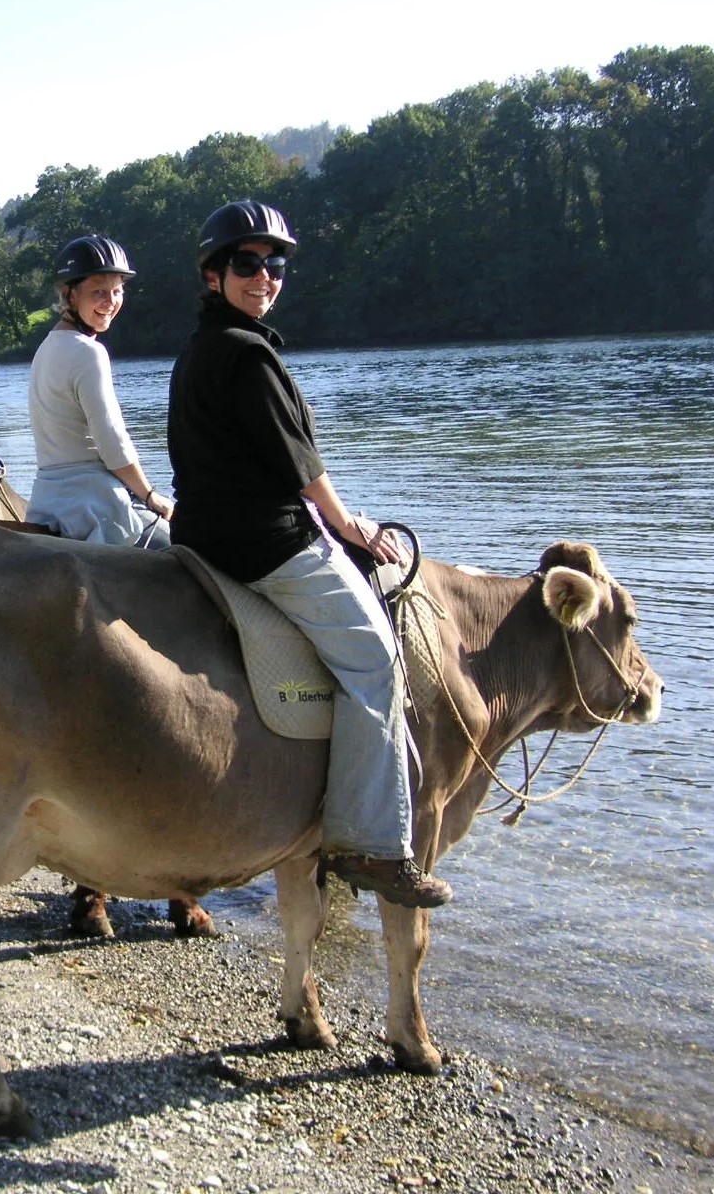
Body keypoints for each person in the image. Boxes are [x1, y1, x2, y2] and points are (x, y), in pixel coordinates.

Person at [167, 200, 453, 910]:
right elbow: (298, 464)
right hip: (264, 538)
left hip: (201, 530)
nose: (263, 276)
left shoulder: (201, 348)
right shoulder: (247, 353)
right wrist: (346, 522)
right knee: (372, 656)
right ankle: (368, 842)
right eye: (246, 264)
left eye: (274, 264)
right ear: (213, 275)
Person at [25, 234, 173, 546]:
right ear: (70, 295)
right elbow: (111, 442)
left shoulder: (44, 349)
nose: (110, 302)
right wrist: (149, 495)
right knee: (189, 552)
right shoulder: (88, 352)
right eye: (98, 292)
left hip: (48, 502)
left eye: (117, 291)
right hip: (94, 505)